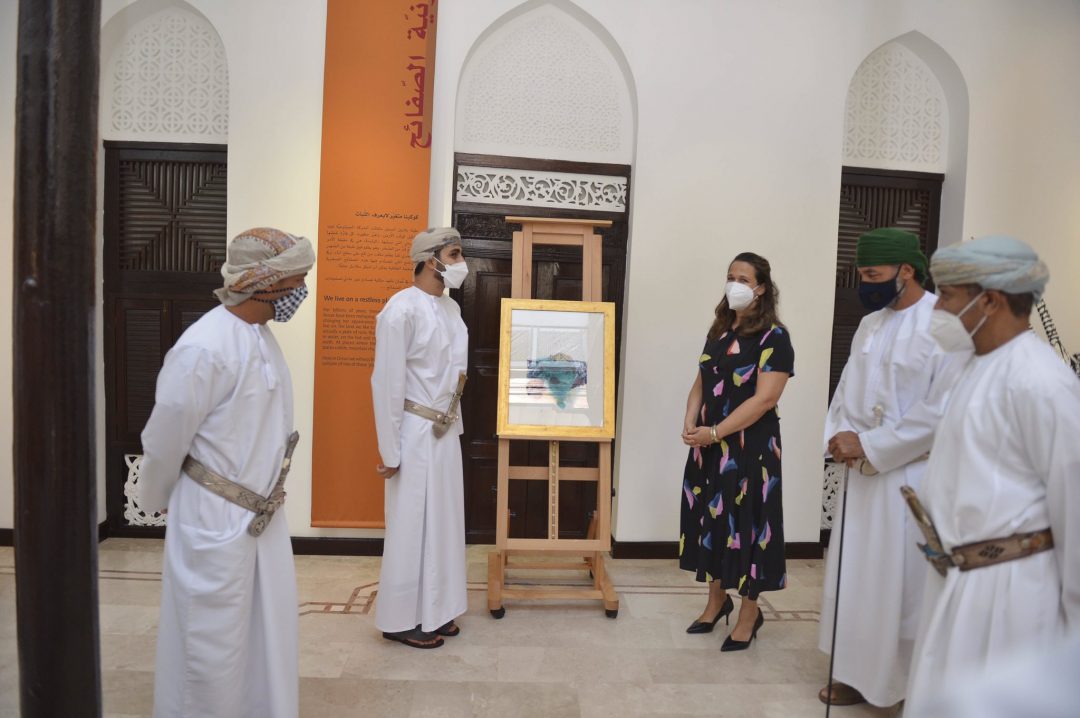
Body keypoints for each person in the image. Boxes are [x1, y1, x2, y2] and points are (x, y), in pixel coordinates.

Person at [139, 227, 315, 718]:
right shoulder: (204, 347)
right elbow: (165, 436)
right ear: (265, 283)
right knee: (208, 643)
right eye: (297, 280)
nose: (302, 289)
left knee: (264, 631)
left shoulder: (260, 336)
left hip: (262, 517)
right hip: (213, 517)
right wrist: (158, 496)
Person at [903, 235, 1080, 714]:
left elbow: (1074, 508)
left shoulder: (1040, 382)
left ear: (991, 301)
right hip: (963, 582)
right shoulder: (975, 365)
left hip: (1013, 596)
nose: (937, 307)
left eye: (947, 295)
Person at [817, 228, 965, 707]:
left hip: (908, 479)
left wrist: (870, 444)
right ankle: (851, 672)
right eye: (862, 274)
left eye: (873, 274)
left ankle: (898, 684)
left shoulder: (945, 326)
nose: (866, 284)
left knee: (900, 587)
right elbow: (846, 389)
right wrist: (838, 437)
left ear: (906, 270)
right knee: (854, 579)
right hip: (860, 478)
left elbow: (940, 410)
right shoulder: (869, 324)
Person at [679, 252, 794, 651]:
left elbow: (765, 399)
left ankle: (749, 613)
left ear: (761, 288)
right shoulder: (720, 329)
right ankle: (716, 601)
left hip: (750, 450)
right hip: (708, 445)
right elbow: (701, 380)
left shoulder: (775, 337)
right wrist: (691, 420)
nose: (735, 284)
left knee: (749, 527)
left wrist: (715, 432)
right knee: (711, 522)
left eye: (744, 279)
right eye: (731, 276)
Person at [371, 226, 470, 649]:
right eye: (455, 254)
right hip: (413, 432)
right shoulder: (399, 310)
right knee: (410, 525)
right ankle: (398, 619)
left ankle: (437, 609)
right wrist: (390, 451)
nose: (461, 263)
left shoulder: (451, 308)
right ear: (431, 260)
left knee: (444, 523)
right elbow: (386, 383)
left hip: (445, 431)